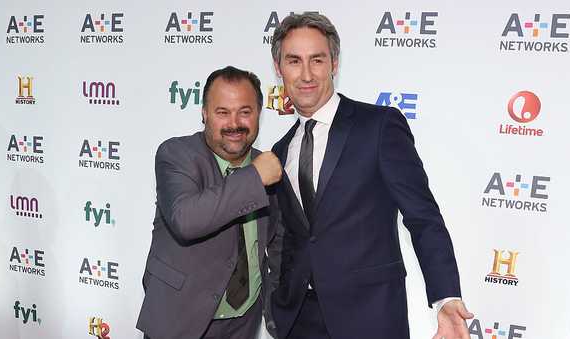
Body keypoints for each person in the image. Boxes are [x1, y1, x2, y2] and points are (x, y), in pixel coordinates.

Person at [267, 13, 474, 339]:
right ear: (279, 68)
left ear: (334, 63)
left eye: (317, 60)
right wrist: (276, 308)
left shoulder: (378, 126)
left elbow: (423, 217)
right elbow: (290, 239)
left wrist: (445, 297)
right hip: (298, 321)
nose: (306, 74)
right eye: (294, 61)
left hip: (369, 317)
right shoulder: (280, 150)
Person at [136, 66, 282, 339]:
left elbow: (277, 242)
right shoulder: (177, 154)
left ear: (259, 113)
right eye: (222, 112)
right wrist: (254, 178)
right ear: (204, 113)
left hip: (244, 323)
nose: (234, 123)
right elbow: (186, 220)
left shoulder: (266, 167)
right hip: (182, 320)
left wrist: (277, 307)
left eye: (245, 111)